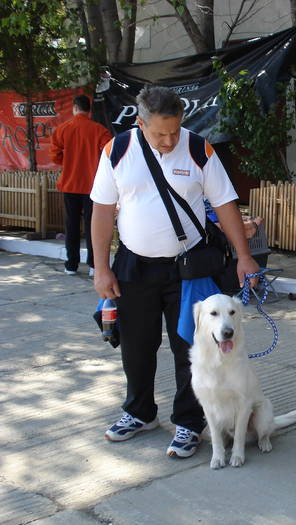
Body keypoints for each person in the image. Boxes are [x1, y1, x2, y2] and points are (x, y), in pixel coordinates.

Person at [90, 86, 259, 458]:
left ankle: (188, 422)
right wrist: (101, 268)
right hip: (134, 266)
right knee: (135, 345)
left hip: (190, 267)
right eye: (159, 134)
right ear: (140, 123)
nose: (169, 141)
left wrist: (244, 257)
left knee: (192, 346)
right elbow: (102, 211)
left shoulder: (199, 148)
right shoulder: (117, 151)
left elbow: (225, 203)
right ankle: (139, 413)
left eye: (175, 131)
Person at [50, 95, 112, 276]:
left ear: (74, 108)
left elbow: (55, 155)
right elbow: (109, 153)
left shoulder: (62, 129)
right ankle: (94, 265)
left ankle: (71, 264)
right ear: (90, 110)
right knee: (94, 225)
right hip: (93, 187)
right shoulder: (99, 130)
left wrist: (68, 161)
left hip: (70, 183)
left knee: (71, 225)